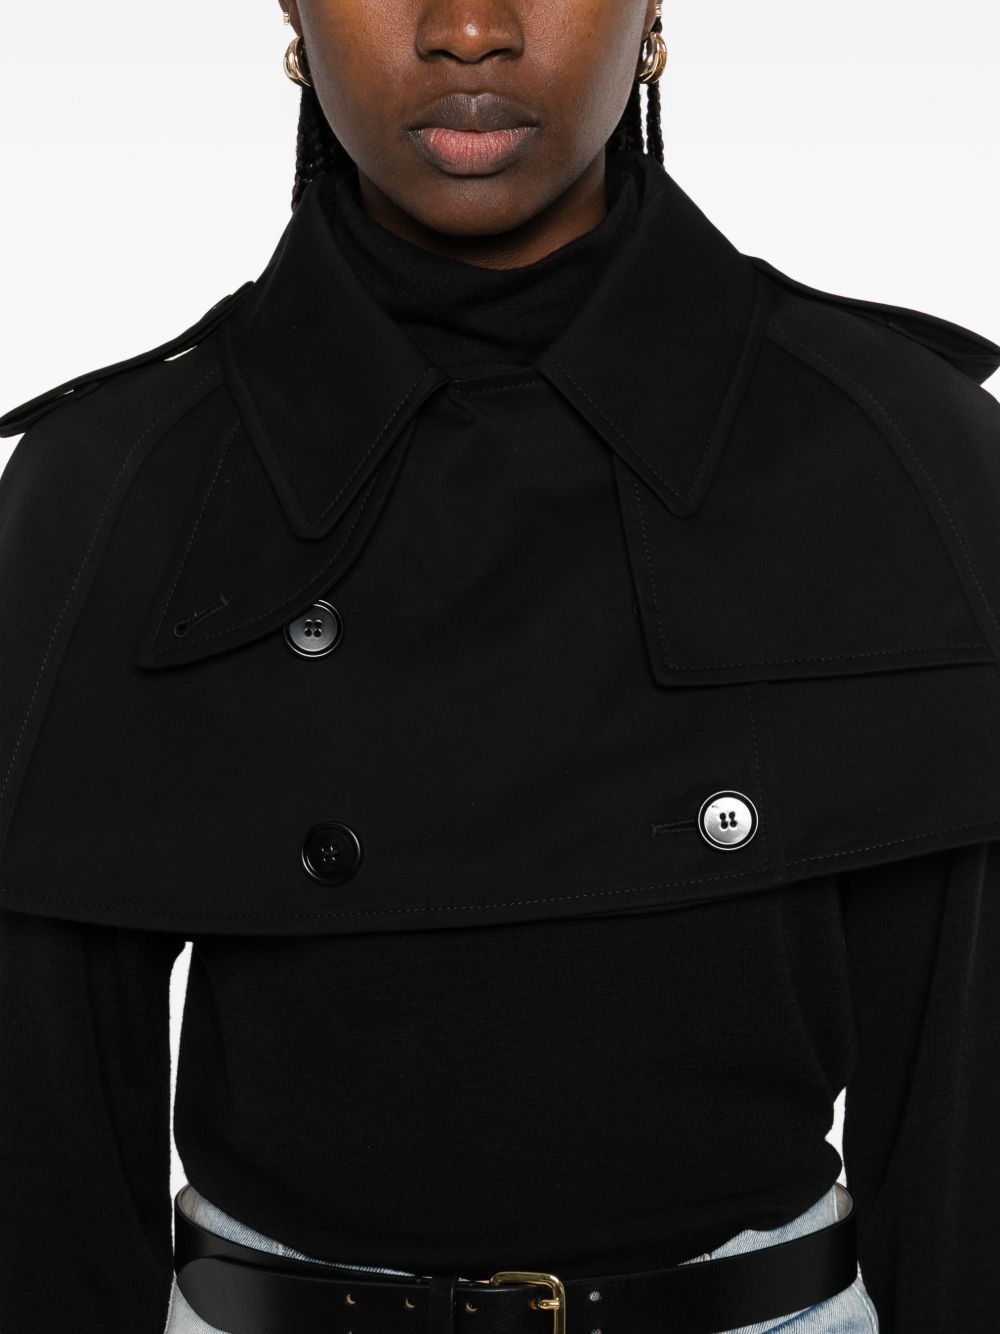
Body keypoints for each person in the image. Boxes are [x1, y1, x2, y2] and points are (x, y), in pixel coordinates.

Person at [1, 2, 999, 1332]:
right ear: (290, 9)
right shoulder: (117, 485)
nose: (468, 27)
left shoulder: (898, 448)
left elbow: (966, 1141)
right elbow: (46, 1165)